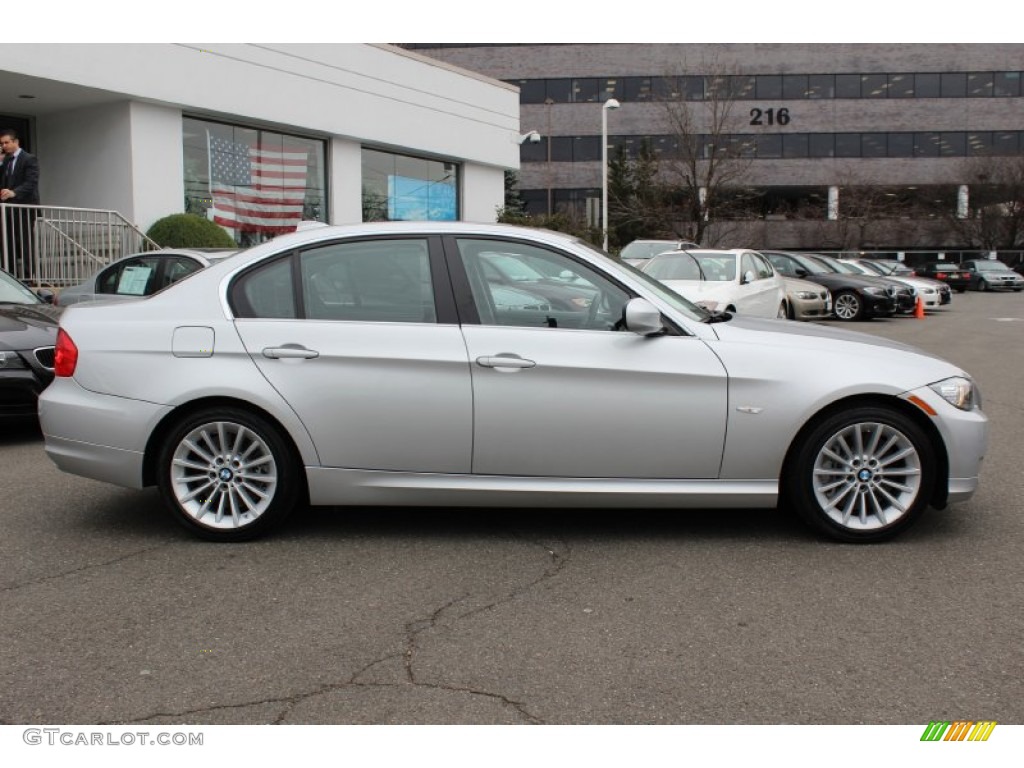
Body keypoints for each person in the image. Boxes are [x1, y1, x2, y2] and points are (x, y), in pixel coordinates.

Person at [0, 129, 40, 277]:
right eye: (2, 143)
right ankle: (10, 275)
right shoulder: (6, 161)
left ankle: (31, 276)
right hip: (8, 209)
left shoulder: (29, 159)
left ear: (16, 142)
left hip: (24, 208)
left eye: (6, 142)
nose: (4, 146)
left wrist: (14, 192)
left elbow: (31, 182)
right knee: (7, 242)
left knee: (25, 243)